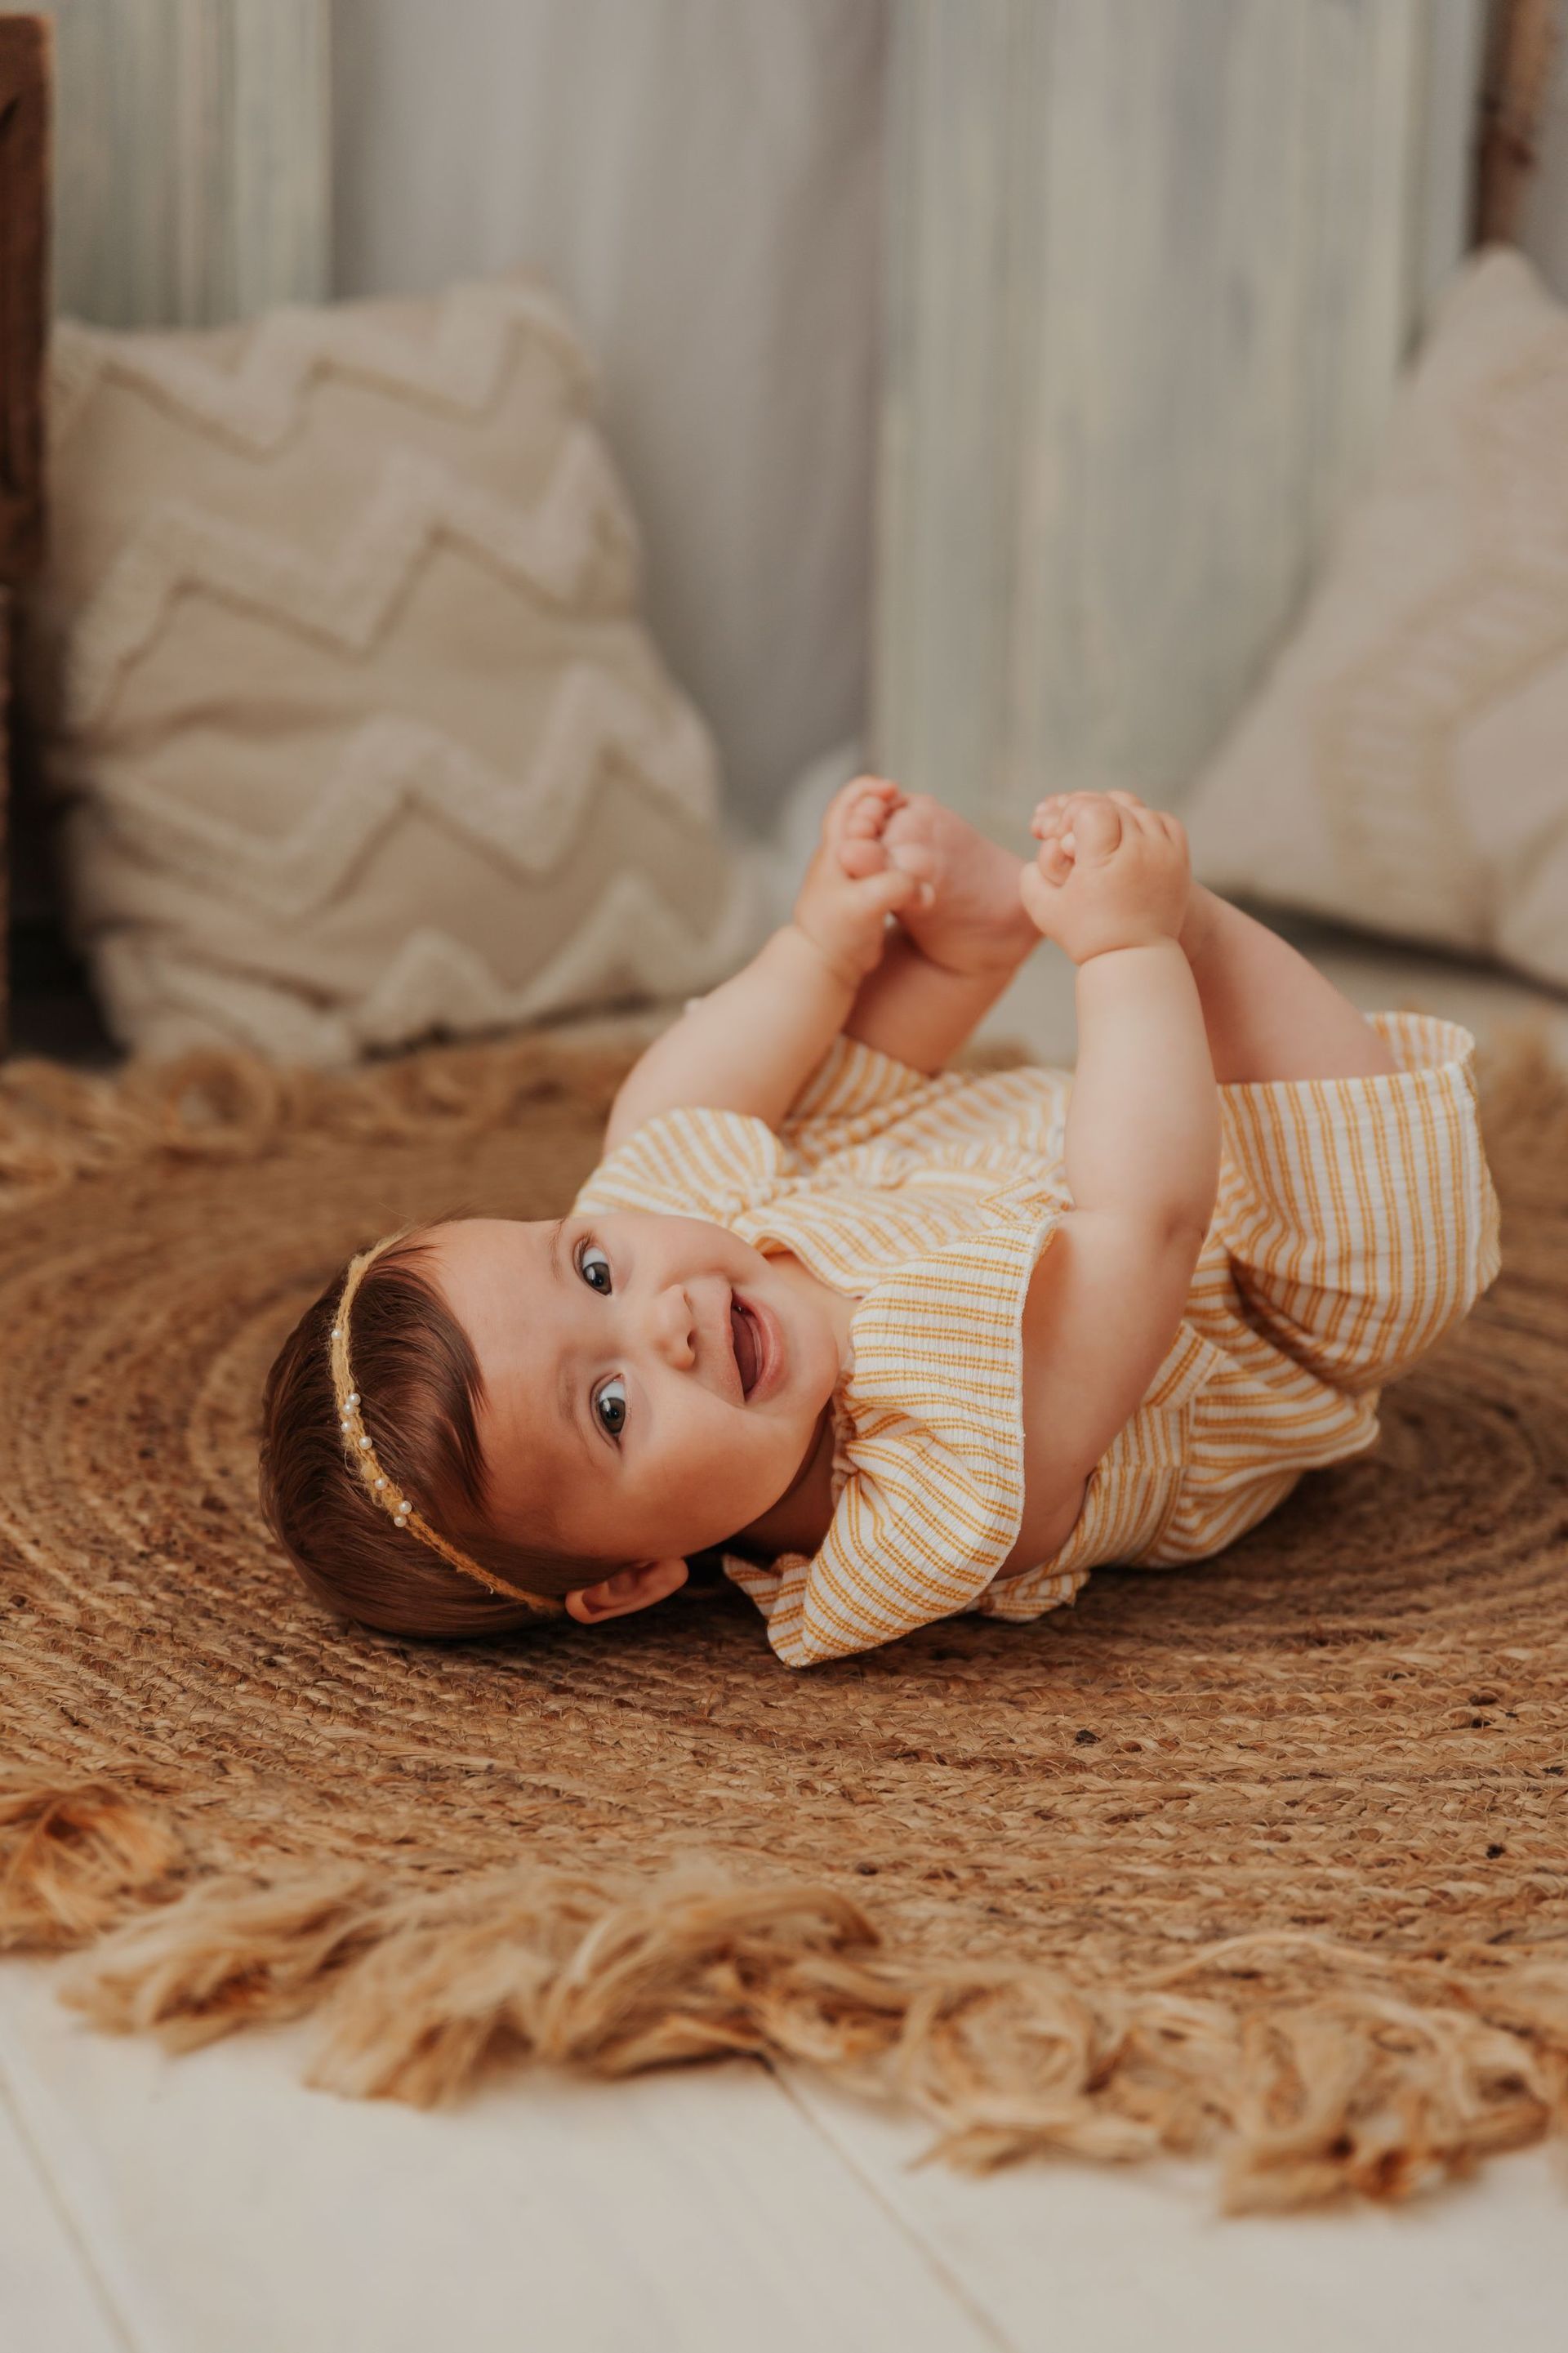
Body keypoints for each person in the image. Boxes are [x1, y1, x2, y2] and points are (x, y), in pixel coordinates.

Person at [259, 781, 1499, 1667]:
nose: (665, 1320)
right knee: (1398, 1241)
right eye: (614, 1409)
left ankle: (944, 952)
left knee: (663, 1127)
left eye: (589, 1270)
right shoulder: (924, 1497)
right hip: (1247, 1295)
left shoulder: (682, 1263)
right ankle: (1186, 926)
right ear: (632, 1578)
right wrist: (1131, 951)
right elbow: (1146, 1226)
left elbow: (677, 1131)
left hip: (1046, 1148)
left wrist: (820, 948)